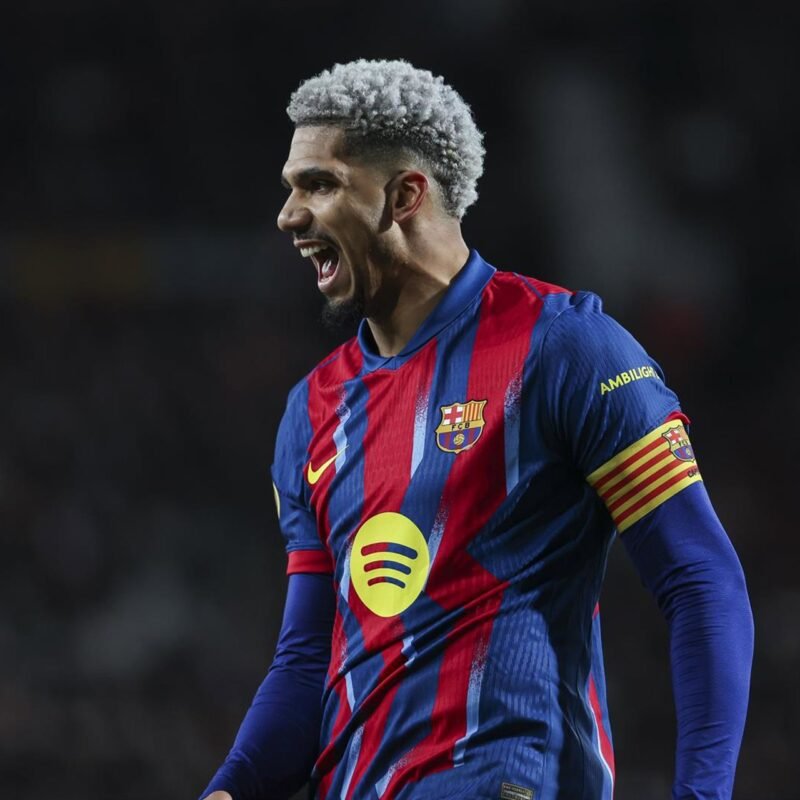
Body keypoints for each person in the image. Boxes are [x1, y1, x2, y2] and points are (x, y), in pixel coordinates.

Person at [201, 59, 753, 800]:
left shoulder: (565, 349)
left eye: (319, 184)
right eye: (291, 188)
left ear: (404, 195)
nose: (289, 216)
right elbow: (307, 662)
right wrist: (231, 786)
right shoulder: (312, 411)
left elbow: (701, 580)